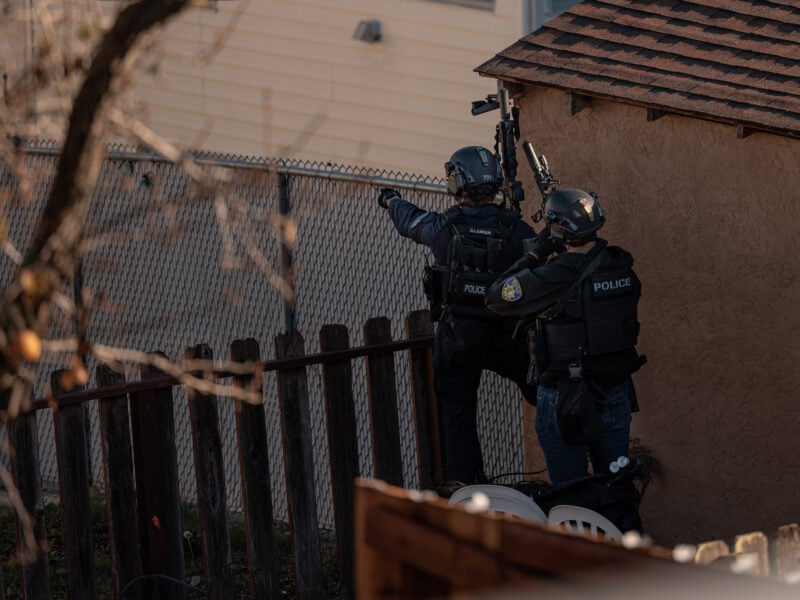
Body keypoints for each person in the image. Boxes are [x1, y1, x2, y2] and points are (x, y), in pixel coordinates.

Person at [377, 145, 540, 486]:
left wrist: (390, 199)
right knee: (543, 390)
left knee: (458, 411)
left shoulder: (442, 227)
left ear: (458, 182)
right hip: (507, 334)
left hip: (458, 336)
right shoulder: (518, 229)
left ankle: (467, 485)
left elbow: (408, 221)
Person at [485, 188, 646, 527]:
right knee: (616, 485)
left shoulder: (555, 275)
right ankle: (630, 558)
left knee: (570, 497)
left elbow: (498, 296)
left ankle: (581, 565)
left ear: (558, 230)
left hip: (565, 398)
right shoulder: (621, 266)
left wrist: (534, 253)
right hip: (614, 391)